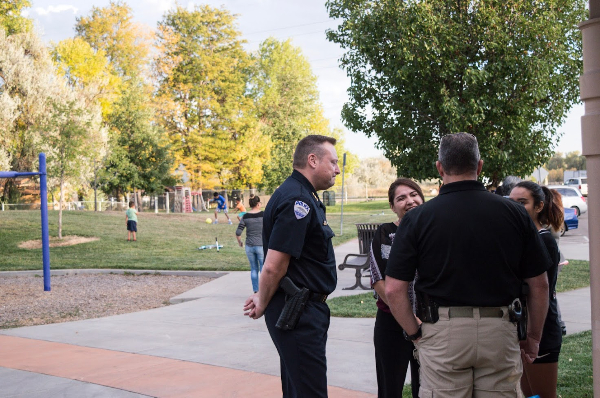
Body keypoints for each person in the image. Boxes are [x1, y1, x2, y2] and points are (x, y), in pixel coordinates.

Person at [384, 132, 551, 397]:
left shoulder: (418, 219)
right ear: (479, 166)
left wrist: (415, 333)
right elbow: (540, 285)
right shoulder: (515, 213)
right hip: (500, 329)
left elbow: (393, 289)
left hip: (443, 331)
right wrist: (533, 338)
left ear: (440, 168)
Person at [243, 134, 340, 397]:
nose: (337, 169)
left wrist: (264, 294)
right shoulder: (298, 201)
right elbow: (274, 266)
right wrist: (262, 300)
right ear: (312, 160)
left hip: (302, 309)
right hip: (298, 312)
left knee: (298, 390)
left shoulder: (302, 195)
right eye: (332, 162)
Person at [369, 178, 424, 398]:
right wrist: (408, 317)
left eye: (414, 194)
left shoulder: (435, 231)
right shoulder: (385, 233)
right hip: (390, 323)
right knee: (390, 388)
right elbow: (377, 277)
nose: (409, 201)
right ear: (393, 206)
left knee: (428, 388)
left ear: (422, 198)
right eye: (401, 198)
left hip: (429, 323)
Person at [509, 181, 563, 398]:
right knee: (528, 395)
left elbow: (537, 289)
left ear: (539, 206)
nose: (516, 208)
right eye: (511, 203)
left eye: (522, 203)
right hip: (521, 330)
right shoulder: (521, 239)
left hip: (541, 330)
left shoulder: (544, 240)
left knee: (542, 395)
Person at [236, 195, 264, 293]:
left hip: (249, 246)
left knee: (253, 269)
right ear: (258, 204)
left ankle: (256, 290)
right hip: (261, 245)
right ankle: (264, 291)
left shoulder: (246, 216)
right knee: (263, 269)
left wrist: (240, 242)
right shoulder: (264, 215)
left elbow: (238, 232)